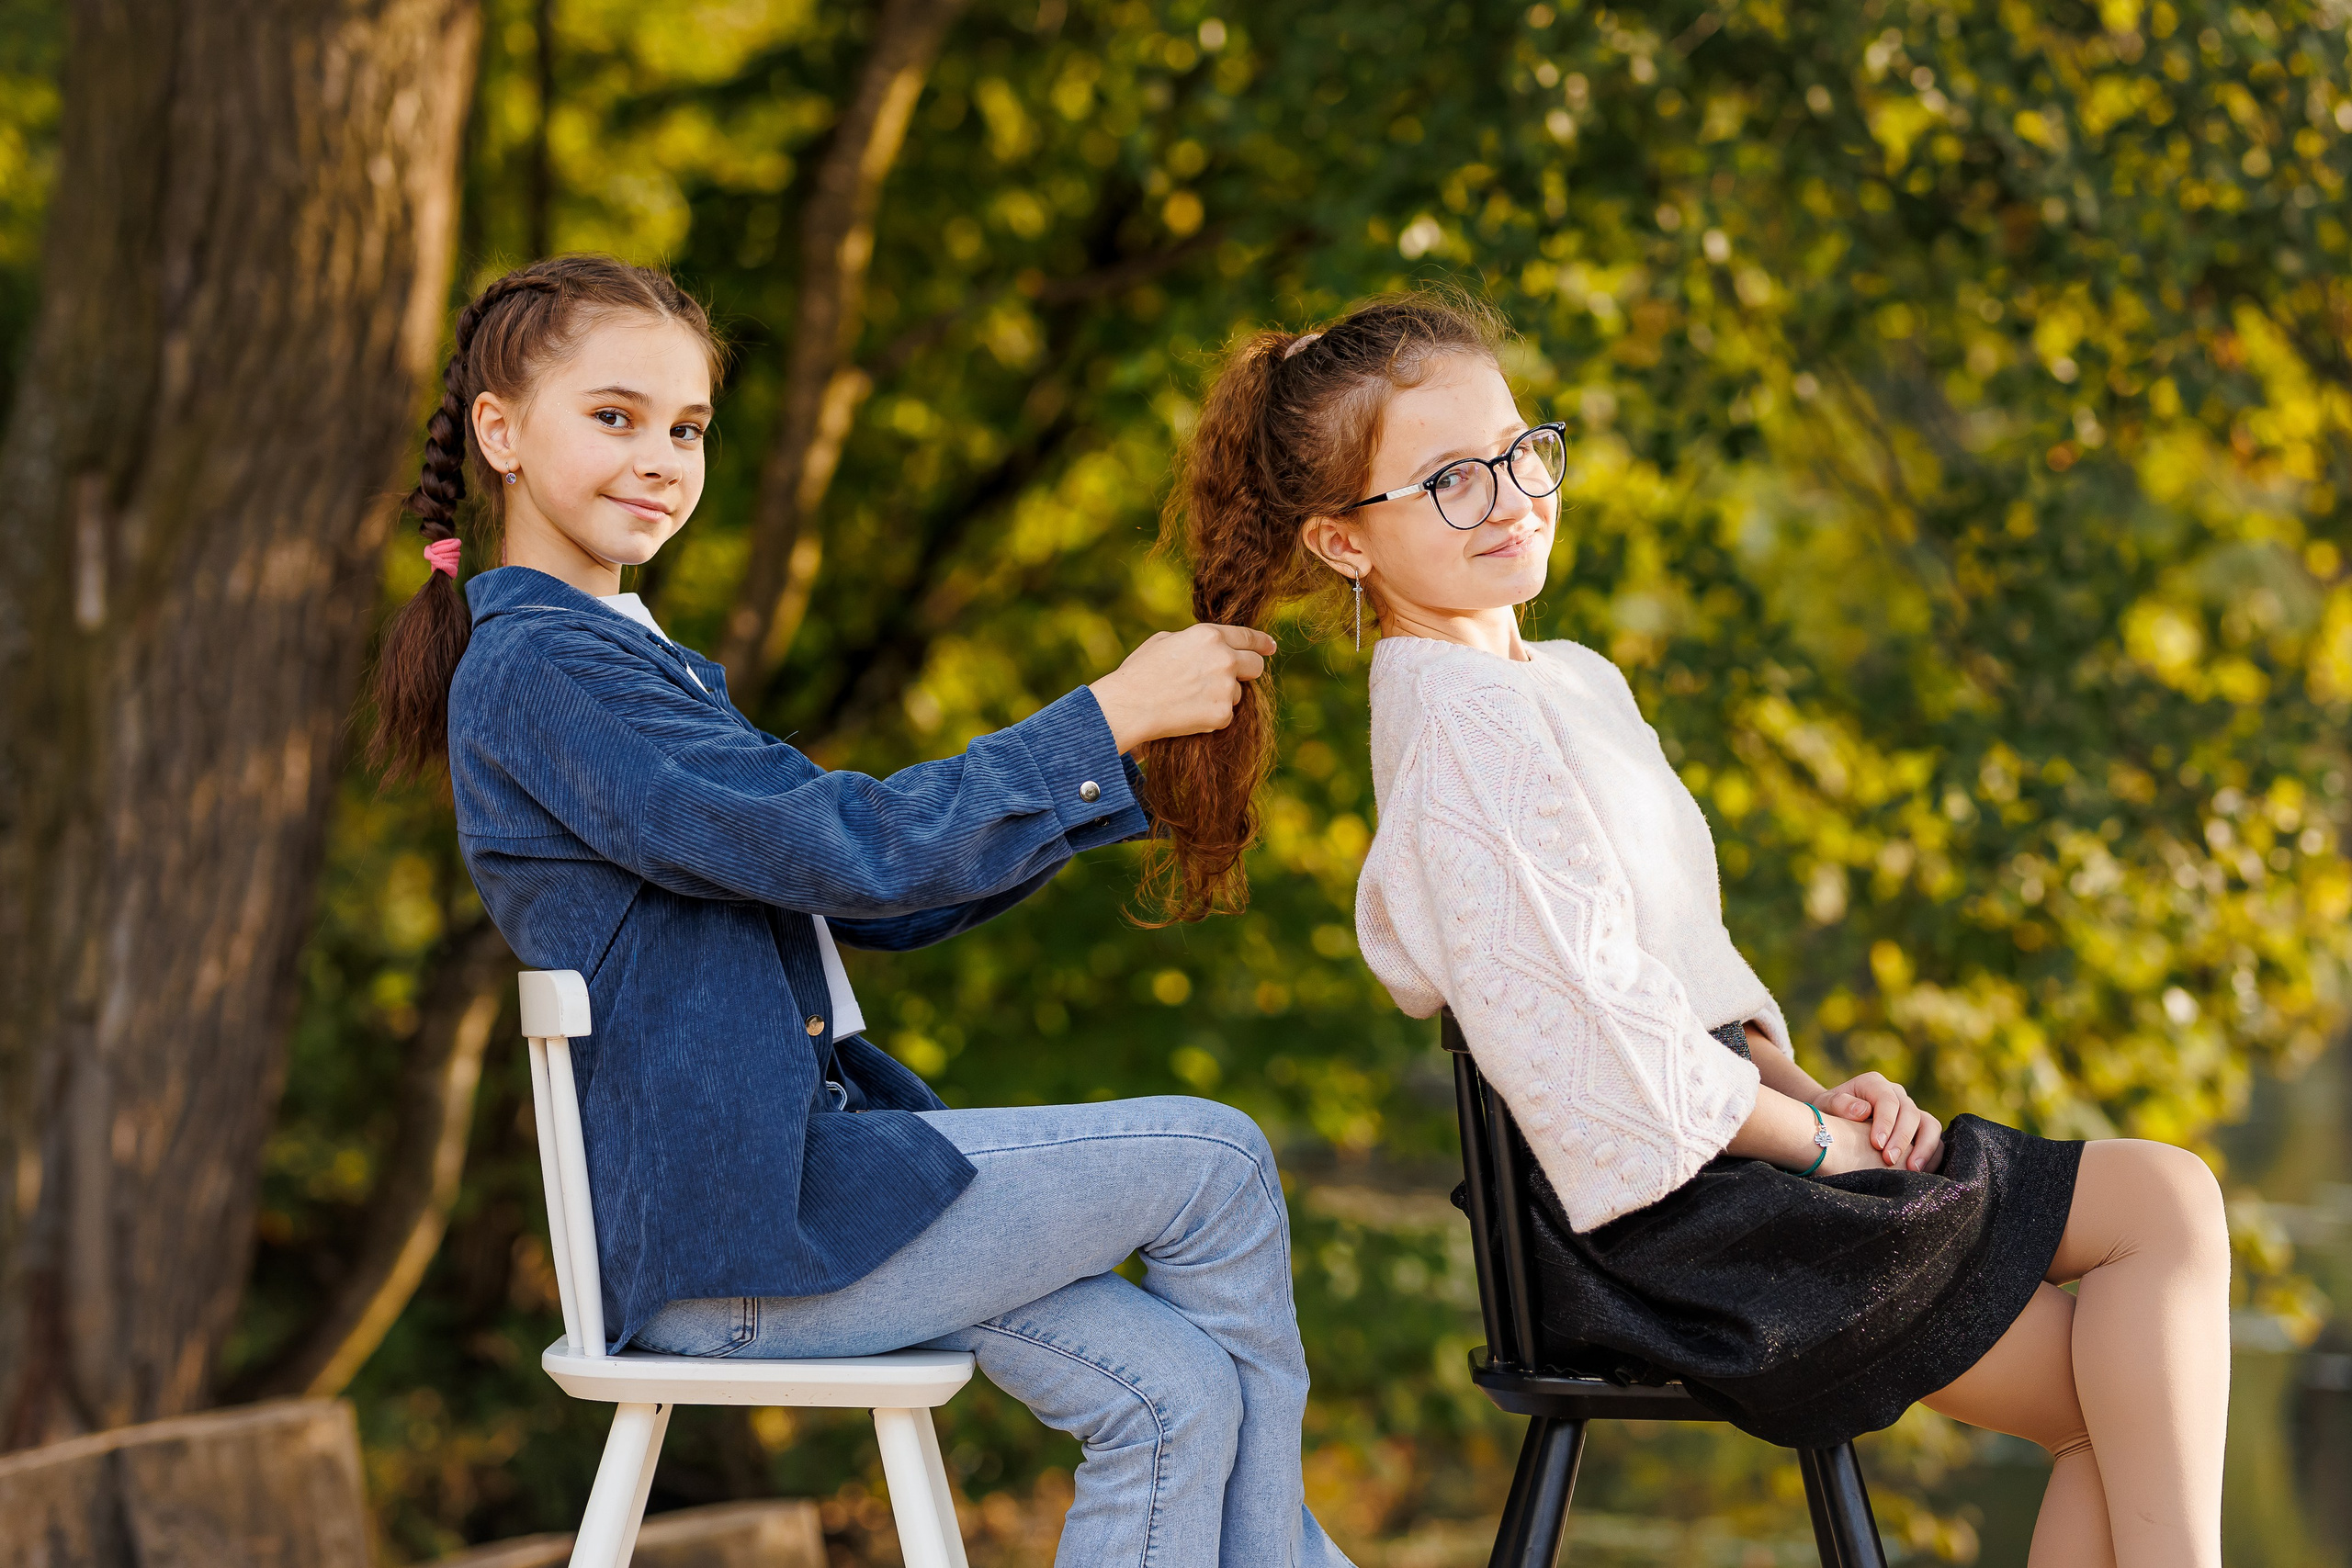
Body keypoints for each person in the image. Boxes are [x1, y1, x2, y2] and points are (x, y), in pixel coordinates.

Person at [1139, 292, 2232, 1568]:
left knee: (2159, 1249)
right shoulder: (1454, 733)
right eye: (1447, 481)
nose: (1507, 498)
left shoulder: (1568, 681)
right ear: (1341, 542)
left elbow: (1677, 972)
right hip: (1665, 1225)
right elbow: (1606, 1052)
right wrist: (1821, 1147)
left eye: (1515, 452)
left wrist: (1821, 1092)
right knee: (2151, 1272)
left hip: (1727, 1149)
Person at [372, 254, 1356, 1568]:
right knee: (1219, 1162)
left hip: (811, 1199)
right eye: (613, 416)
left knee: (1172, 1392)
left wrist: (1113, 764)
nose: (659, 455)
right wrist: (1102, 720)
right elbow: (854, 849)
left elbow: (878, 901)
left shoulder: (632, 664)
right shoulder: (549, 669)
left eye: (687, 427)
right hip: (745, 1231)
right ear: (501, 432)